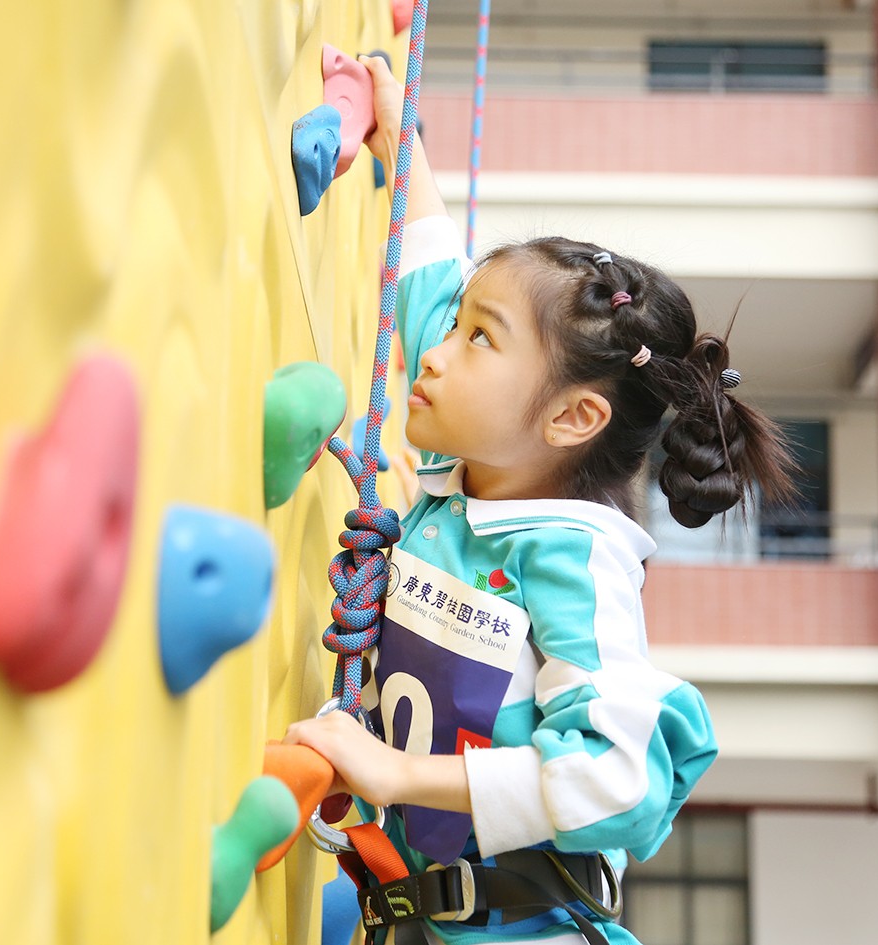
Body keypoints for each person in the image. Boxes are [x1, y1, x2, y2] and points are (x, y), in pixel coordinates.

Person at [284, 55, 796, 945]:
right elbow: (431, 273)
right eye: (456, 327)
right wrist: (397, 128)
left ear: (571, 417)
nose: (435, 352)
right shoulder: (475, 466)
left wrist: (395, 775)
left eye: (478, 338)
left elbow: (617, 777)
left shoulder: (571, 555)